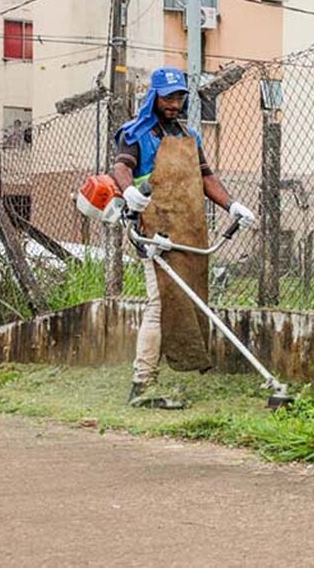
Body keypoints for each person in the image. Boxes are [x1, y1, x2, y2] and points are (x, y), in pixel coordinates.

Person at [111, 67, 255, 407]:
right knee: (159, 302)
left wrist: (232, 205)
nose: (174, 103)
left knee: (184, 299)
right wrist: (129, 191)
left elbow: (206, 177)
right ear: (154, 97)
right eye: (168, 97)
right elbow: (121, 167)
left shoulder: (189, 136)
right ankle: (141, 383)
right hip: (151, 226)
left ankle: (159, 371)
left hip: (186, 226)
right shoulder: (136, 133)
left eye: (179, 97)